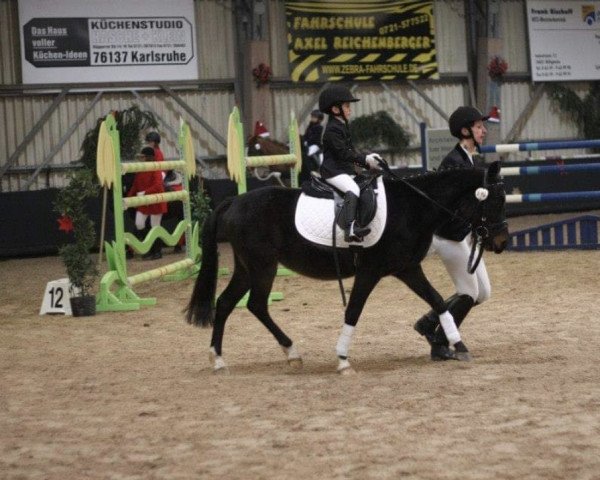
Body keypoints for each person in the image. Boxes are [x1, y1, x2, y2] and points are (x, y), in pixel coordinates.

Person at [414, 106, 492, 361]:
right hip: (448, 236)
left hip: (463, 235)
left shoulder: (470, 159)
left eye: (483, 126)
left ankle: (429, 322)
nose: (484, 131)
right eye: (479, 127)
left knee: (483, 293)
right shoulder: (453, 162)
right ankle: (440, 341)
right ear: (465, 130)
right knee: (469, 292)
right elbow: (447, 204)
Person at [318, 85, 382, 242]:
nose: (350, 109)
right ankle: (350, 228)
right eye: (346, 106)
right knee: (352, 188)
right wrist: (365, 159)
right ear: (335, 109)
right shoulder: (332, 129)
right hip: (333, 171)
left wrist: (369, 163)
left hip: (343, 169)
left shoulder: (341, 126)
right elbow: (343, 153)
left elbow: (351, 150)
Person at [126, 146, 167, 260]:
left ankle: (157, 251)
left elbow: (158, 185)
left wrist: (145, 192)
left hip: (155, 201)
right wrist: (128, 199)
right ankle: (148, 248)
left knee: (155, 226)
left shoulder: (155, 168)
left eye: (143, 157)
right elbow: (135, 185)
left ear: (148, 158)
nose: (141, 159)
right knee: (139, 224)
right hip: (144, 201)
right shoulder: (140, 169)